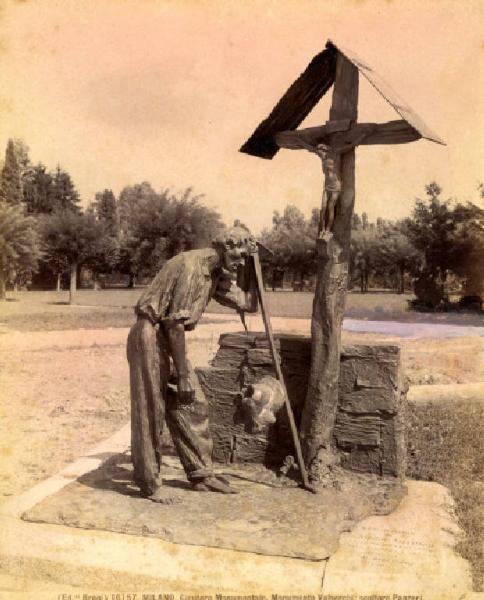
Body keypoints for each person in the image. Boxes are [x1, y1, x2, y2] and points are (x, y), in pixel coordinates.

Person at [126, 227, 258, 504]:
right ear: (225, 246)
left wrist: (255, 270)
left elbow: (247, 304)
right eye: (241, 254)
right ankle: (149, 483)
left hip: (166, 336)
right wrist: (183, 374)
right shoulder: (192, 267)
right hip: (150, 334)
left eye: (247, 257)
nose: (242, 261)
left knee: (193, 403)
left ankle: (201, 474)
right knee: (152, 408)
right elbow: (174, 323)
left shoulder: (216, 274)